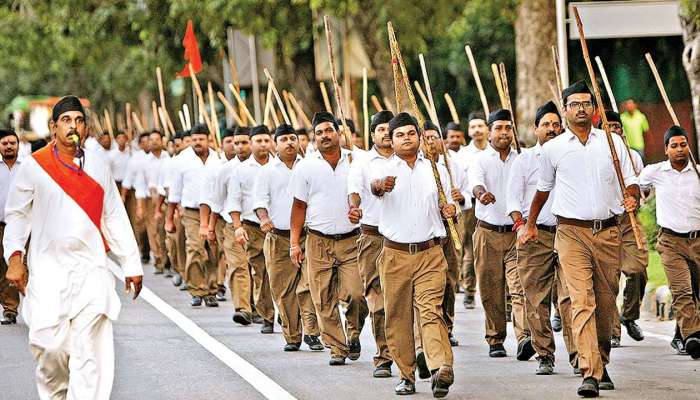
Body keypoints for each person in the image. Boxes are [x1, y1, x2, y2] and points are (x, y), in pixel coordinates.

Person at [3, 96, 143, 399]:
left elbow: (114, 215)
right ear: (53, 127)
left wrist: (131, 263)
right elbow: (16, 215)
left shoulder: (98, 166)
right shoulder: (34, 166)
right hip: (47, 271)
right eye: (66, 120)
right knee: (49, 347)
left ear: (86, 127)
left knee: (90, 352)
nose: (73, 126)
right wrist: (15, 257)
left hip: (91, 270)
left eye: (78, 120)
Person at [521, 80, 639, 397]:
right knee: (581, 301)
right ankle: (589, 371)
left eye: (586, 103)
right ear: (566, 109)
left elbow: (631, 184)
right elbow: (542, 191)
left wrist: (632, 198)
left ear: (595, 109)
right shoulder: (553, 149)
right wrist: (530, 223)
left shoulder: (613, 143)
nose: (581, 108)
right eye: (574, 104)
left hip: (609, 231)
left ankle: (600, 359)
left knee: (603, 303)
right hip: (570, 233)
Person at [370, 112, 455, 397]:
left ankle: (439, 367)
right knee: (397, 317)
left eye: (411, 133)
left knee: (431, 311)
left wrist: (449, 211)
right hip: (394, 255)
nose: (406, 138)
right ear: (390, 140)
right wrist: (382, 186)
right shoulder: (380, 168)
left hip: (431, 252)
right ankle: (406, 374)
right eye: (399, 135)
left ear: (419, 136)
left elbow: (448, 203)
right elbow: (374, 188)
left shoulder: (434, 168)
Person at [289, 112, 368, 366]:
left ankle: (354, 333)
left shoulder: (357, 160)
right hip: (318, 241)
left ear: (339, 132)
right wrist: (294, 243)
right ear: (314, 137)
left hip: (351, 240)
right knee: (323, 297)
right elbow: (299, 206)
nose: (324, 136)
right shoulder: (306, 166)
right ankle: (337, 347)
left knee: (356, 293)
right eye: (319, 132)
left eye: (328, 130)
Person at [506, 101, 577, 375]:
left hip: (570, 234)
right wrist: (522, 225)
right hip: (535, 236)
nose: (551, 128)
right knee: (535, 299)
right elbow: (513, 200)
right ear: (535, 129)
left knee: (570, 297)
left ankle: (578, 355)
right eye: (545, 124)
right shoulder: (524, 160)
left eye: (556, 124)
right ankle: (544, 354)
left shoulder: (570, 155)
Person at [253, 123, 323, 351]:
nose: (290, 142)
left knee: (308, 285)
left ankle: (312, 332)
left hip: (308, 236)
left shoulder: (311, 167)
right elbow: (259, 202)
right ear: (275, 144)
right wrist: (264, 219)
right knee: (283, 290)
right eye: (284, 139)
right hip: (277, 237)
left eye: (293, 138)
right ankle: (293, 335)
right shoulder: (266, 172)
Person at [468, 108, 530, 359]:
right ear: (490, 132)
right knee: (491, 289)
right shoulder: (480, 159)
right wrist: (482, 194)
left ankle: (524, 337)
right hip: (487, 233)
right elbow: (476, 184)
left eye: (508, 128)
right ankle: (495, 338)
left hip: (517, 233)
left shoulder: (523, 159)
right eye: (499, 128)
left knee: (520, 287)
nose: (504, 133)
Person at [638, 125, 700, 359]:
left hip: (698, 240)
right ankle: (693, 336)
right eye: (674, 146)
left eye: (683, 144)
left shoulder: (697, 173)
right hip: (671, 242)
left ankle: (679, 334)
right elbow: (637, 186)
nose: (679, 149)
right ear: (666, 150)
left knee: (695, 291)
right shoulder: (655, 172)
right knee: (682, 290)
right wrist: (637, 197)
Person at [347, 110, 395, 377]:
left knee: (403, 301)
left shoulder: (409, 159)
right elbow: (355, 190)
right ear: (373, 133)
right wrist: (354, 207)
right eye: (381, 130)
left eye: (391, 129)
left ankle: (415, 353)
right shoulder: (362, 162)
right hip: (373, 237)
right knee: (377, 299)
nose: (386, 134)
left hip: (404, 240)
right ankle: (383, 357)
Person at [598, 111, 648, 347]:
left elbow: (639, 185)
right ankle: (612, 331)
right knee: (608, 279)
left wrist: (635, 198)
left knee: (637, 270)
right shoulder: (594, 154)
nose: (614, 131)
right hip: (604, 222)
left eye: (617, 126)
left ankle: (629, 316)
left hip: (628, 222)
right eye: (608, 127)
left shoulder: (633, 156)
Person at [423, 121, 470, 348]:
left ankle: (447, 327)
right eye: (426, 138)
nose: (431, 142)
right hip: (425, 233)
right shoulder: (417, 167)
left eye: (434, 137)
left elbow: (466, 194)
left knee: (449, 279)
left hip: (449, 229)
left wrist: (458, 200)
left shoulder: (452, 166)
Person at [165, 124, 222, 308]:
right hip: (190, 211)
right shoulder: (182, 160)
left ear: (208, 139)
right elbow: (174, 191)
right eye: (195, 139)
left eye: (201, 139)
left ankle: (212, 289)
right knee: (195, 247)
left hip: (214, 212)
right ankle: (197, 289)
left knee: (213, 249)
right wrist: (170, 217)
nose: (198, 142)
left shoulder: (217, 159)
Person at [228, 125, 276, 334]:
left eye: (267, 140)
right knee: (261, 272)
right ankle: (266, 315)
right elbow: (234, 200)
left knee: (282, 273)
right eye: (259, 141)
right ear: (252, 143)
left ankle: (290, 315)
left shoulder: (280, 166)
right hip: (252, 227)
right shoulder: (241, 170)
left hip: (278, 227)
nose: (263, 144)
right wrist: (238, 227)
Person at [456, 111, 488, 309]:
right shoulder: (463, 156)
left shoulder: (495, 151)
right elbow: (459, 185)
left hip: (493, 208)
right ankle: (469, 290)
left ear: (487, 128)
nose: (477, 130)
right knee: (470, 249)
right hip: (470, 208)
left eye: (480, 126)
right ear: (468, 131)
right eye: (473, 126)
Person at [135, 130, 170, 275]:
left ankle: (168, 261)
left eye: (157, 139)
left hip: (167, 198)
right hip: (151, 199)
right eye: (152, 139)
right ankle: (158, 259)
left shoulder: (169, 158)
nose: (154, 142)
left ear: (162, 141)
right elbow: (140, 184)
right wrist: (140, 206)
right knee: (153, 230)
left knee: (166, 231)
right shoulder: (144, 162)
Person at [0, 128, 21, 325]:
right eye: (5, 143)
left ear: (18, 145)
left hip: (21, 226)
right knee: (2, 266)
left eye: (12, 143)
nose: (8, 147)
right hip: (0, 225)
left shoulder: (27, 168)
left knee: (20, 264)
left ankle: (13, 308)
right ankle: (9, 306)